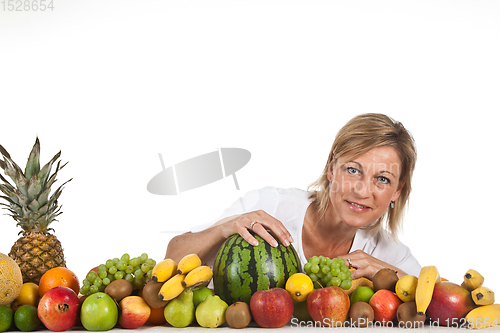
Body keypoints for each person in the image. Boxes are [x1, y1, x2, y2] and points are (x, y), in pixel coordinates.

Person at [166, 113, 421, 279]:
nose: (363, 191)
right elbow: (172, 258)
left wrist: (390, 274)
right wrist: (223, 229)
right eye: (353, 170)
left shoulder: (388, 253)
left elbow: (445, 302)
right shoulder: (268, 206)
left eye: (383, 179)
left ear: (397, 190)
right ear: (332, 168)